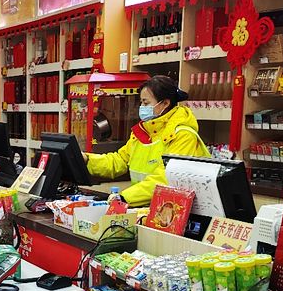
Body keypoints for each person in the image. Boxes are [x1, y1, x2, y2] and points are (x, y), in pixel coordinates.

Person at [84, 75, 210, 206]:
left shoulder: (183, 135)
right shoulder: (143, 131)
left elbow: (165, 178)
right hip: (144, 207)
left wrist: (124, 198)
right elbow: (119, 161)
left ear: (165, 103)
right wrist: (86, 160)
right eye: (141, 103)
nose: (142, 107)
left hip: (173, 210)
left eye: (146, 103)